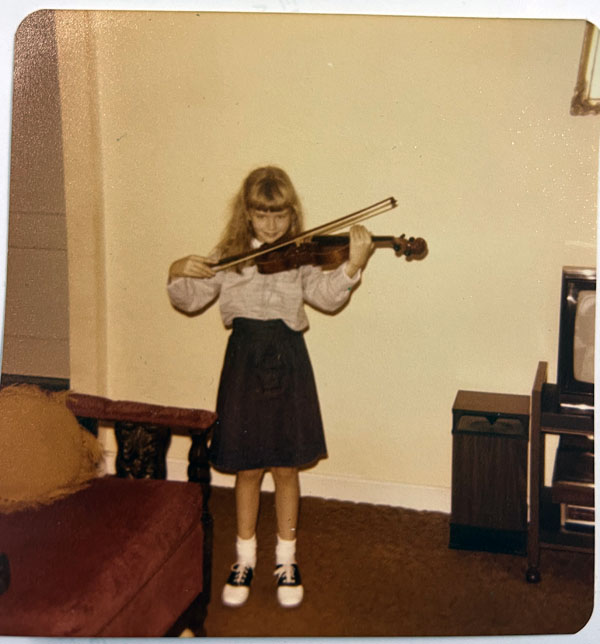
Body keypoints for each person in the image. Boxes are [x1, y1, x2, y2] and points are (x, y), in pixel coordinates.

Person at [167, 166, 373, 609]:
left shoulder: (300, 255)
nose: (273, 226)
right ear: (247, 214)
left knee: (284, 467)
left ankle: (286, 558)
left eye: (280, 216)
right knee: (246, 468)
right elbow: (188, 299)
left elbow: (327, 296)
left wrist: (353, 267)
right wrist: (176, 269)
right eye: (263, 216)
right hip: (244, 360)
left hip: (287, 358)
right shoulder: (230, 255)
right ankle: (243, 558)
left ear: (292, 214)